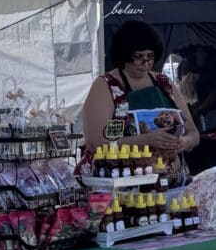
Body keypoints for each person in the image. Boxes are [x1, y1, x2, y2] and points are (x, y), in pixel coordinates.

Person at [81, 20, 200, 184]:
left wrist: (184, 142)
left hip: (170, 181)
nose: (146, 63)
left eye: (150, 57)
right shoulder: (106, 86)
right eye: (138, 57)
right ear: (124, 54)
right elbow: (96, 143)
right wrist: (145, 140)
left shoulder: (165, 84)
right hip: (124, 183)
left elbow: (193, 133)